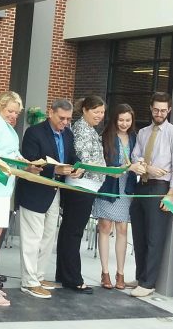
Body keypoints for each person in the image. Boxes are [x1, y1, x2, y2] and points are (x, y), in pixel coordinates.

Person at [16, 99, 81, 299]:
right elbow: (31, 160)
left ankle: (39, 275)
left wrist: (77, 167)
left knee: (48, 236)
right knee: (32, 238)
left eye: (69, 119)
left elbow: (72, 156)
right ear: (50, 113)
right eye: (61, 118)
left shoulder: (68, 134)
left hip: (54, 190)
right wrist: (56, 169)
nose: (65, 122)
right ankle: (29, 282)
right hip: (34, 191)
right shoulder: (34, 132)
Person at [0, 90, 36, 307]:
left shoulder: (6, 127)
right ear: (0, 107)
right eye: (10, 111)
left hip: (2, 188)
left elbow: (10, 153)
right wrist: (15, 161)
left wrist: (26, 163)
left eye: (16, 113)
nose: (13, 115)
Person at [129, 92, 173, 297]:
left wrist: (171, 194)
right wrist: (147, 167)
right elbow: (135, 155)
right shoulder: (143, 132)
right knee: (139, 234)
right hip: (142, 185)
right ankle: (140, 276)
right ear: (151, 108)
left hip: (160, 188)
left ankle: (148, 283)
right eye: (156, 109)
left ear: (169, 110)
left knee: (154, 236)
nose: (159, 113)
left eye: (163, 110)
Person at [56, 95, 106, 294]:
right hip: (81, 186)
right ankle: (73, 278)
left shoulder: (89, 129)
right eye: (96, 111)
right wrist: (109, 169)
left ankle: (65, 273)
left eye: (102, 112)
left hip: (87, 187)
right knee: (73, 232)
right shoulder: (81, 129)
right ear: (85, 110)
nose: (99, 116)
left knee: (70, 231)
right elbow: (84, 160)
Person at [95, 104, 144, 290]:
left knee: (122, 229)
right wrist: (128, 167)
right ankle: (105, 272)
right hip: (109, 185)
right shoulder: (105, 137)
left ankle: (121, 273)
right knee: (105, 227)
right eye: (121, 120)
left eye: (128, 120)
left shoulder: (135, 138)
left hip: (127, 187)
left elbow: (139, 159)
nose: (124, 124)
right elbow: (105, 165)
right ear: (115, 119)